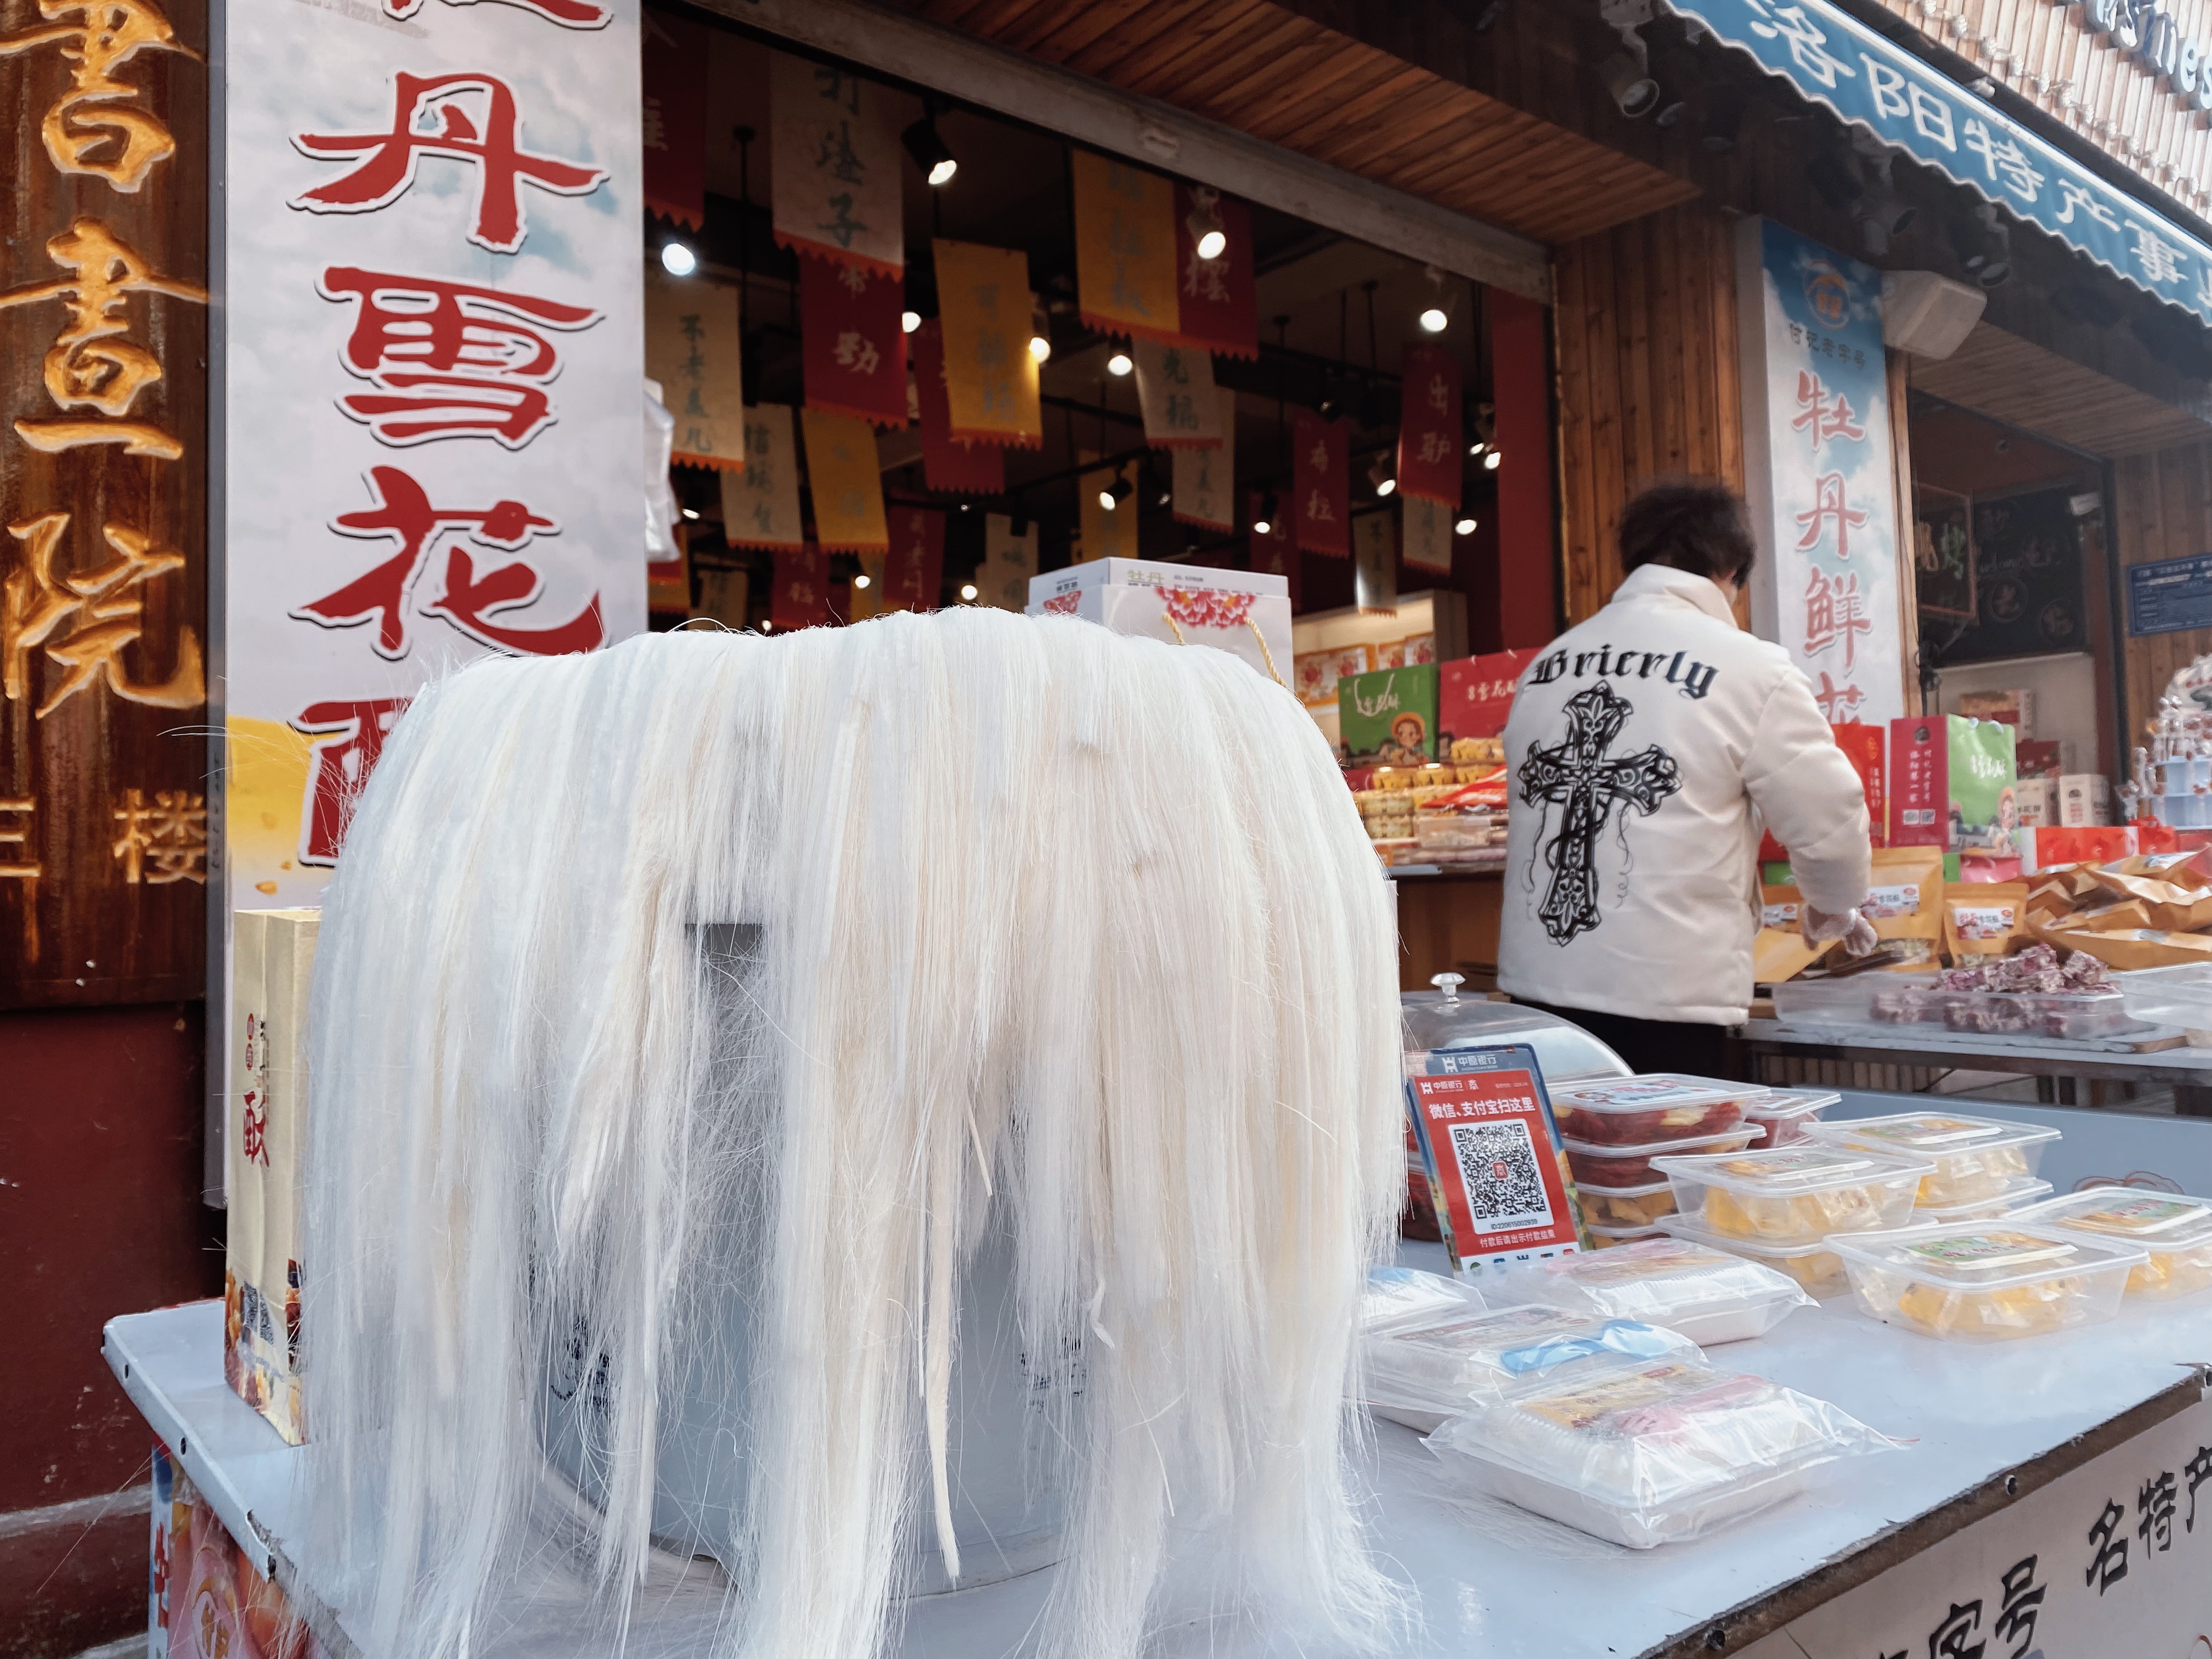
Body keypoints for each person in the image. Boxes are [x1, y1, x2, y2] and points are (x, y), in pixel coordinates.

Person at [1497, 480, 1876, 1076]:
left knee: (1562, 1162)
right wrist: (1835, 904)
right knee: (1669, 1164)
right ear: (1731, 569)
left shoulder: (1547, 666)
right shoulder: (1752, 667)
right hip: (1670, 998)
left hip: (1537, 989)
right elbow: (1829, 818)